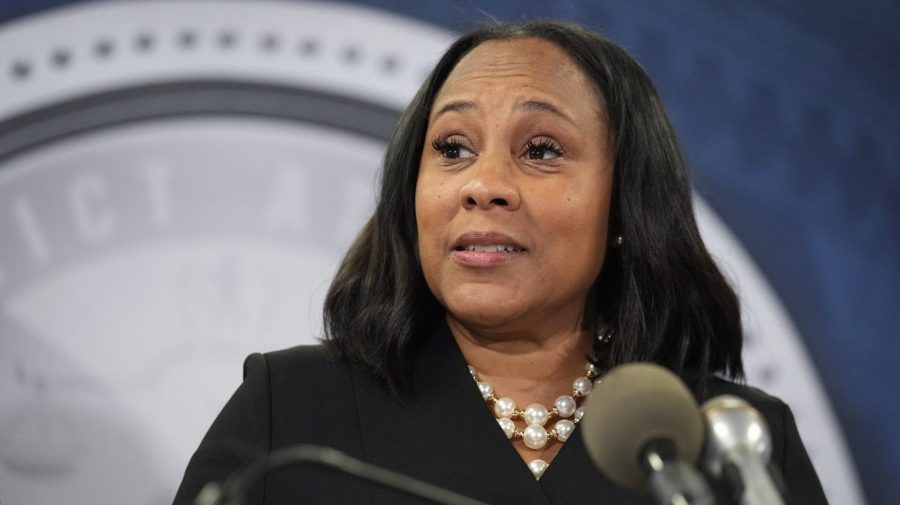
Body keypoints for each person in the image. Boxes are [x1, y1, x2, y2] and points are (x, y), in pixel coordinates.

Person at [173, 21, 827, 504]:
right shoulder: (291, 411)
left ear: (625, 204)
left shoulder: (731, 442)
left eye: (541, 149)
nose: (482, 184)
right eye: (452, 148)